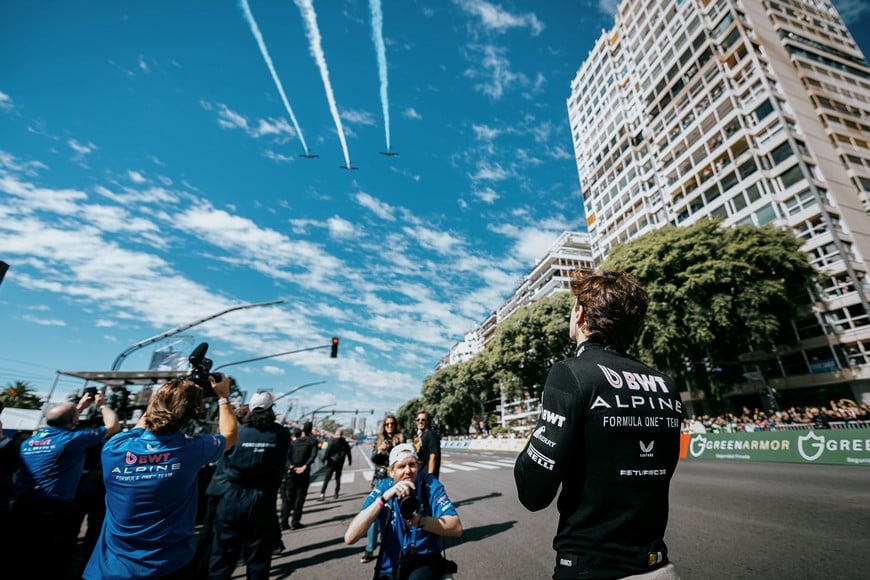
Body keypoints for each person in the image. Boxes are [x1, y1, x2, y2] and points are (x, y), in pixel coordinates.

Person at [514, 269, 683, 580]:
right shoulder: (665, 384)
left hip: (591, 565)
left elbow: (532, 491)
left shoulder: (571, 374)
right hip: (657, 565)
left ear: (580, 315)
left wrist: (542, 433)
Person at [83, 373, 239, 579]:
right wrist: (223, 396)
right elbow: (230, 435)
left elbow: (142, 425)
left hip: (107, 570)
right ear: (192, 414)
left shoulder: (115, 447)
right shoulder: (191, 450)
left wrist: (166, 394)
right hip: (167, 566)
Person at [7, 391, 120, 579]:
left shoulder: (30, 441)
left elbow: (57, 420)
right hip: (53, 511)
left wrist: (79, 408)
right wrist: (101, 404)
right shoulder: (71, 440)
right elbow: (113, 425)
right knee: (53, 561)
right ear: (75, 420)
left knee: (21, 558)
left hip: (21, 508)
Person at [344, 443, 461, 580]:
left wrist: (421, 521)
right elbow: (350, 538)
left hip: (423, 560)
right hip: (389, 565)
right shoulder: (384, 488)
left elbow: (456, 527)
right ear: (391, 472)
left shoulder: (429, 484)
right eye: (401, 466)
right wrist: (383, 499)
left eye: (412, 464)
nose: (408, 471)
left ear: (418, 466)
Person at [208, 392, 290, 579]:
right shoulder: (281, 434)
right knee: (258, 558)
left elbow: (224, 459)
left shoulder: (237, 431)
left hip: (232, 497)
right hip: (263, 499)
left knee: (222, 556)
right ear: (271, 409)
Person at [360, 413, 405, 564]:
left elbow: (404, 458)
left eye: (392, 424)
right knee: (373, 512)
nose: (390, 426)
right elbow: (374, 459)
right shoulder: (379, 440)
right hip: (380, 479)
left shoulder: (401, 439)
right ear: (384, 426)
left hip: (395, 480)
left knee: (395, 515)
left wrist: (393, 448)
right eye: (387, 424)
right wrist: (380, 451)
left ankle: (397, 547)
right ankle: (370, 548)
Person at [280, 420, 318, 530]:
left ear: (302, 429)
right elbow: (313, 456)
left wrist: (291, 467)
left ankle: (284, 522)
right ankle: (295, 522)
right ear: (310, 430)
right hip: (303, 473)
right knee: (299, 498)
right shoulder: (313, 441)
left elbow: (287, 456)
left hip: (291, 473)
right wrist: (304, 467)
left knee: (287, 499)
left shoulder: (294, 442)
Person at [319, 427, 351, 500]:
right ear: (342, 434)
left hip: (331, 462)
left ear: (336, 434)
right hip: (340, 463)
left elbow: (328, 451)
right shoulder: (345, 443)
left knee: (327, 479)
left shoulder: (332, 441)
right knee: (338, 478)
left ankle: (322, 494)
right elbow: (349, 453)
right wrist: (349, 461)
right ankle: (336, 494)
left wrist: (324, 459)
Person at [413, 410, 441, 478]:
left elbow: (433, 455)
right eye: (418, 420)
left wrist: (430, 476)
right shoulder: (419, 436)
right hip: (420, 472)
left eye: (423, 420)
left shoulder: (431, 434)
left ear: (428, 421)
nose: (420, 422)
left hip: (427, 474)